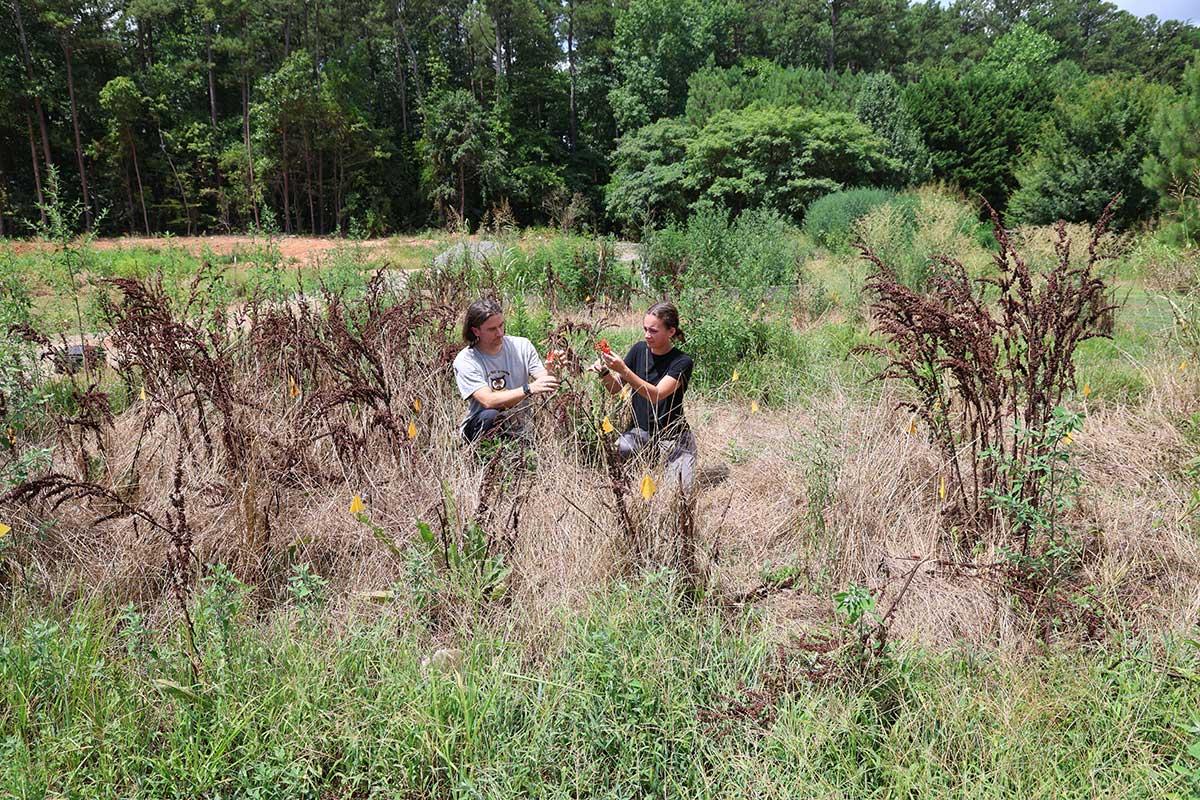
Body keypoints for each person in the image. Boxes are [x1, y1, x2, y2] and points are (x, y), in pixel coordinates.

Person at [592, 301, 697, 492]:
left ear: (671, 332)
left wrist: (623, 369)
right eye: (645, 329)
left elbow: (656, 395)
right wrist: (604, 374)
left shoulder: (682, 361)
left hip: (673, 436)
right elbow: (615, 388)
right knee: (618, 453)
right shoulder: (639, 349)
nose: (647, 335)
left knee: (680, 493)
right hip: (641, 432)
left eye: (654, 331)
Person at [453, 298, 559, 442]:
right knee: (490, 415)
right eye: (492, 329)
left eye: (501, 325)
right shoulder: (467, 360)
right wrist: (528, 388)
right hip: (481, 426)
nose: (500, 333)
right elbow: (488, 401)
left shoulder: (522, 346)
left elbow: (543, 382)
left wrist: (552, 370)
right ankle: (483, 458)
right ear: (476, 331)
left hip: (520, 427)